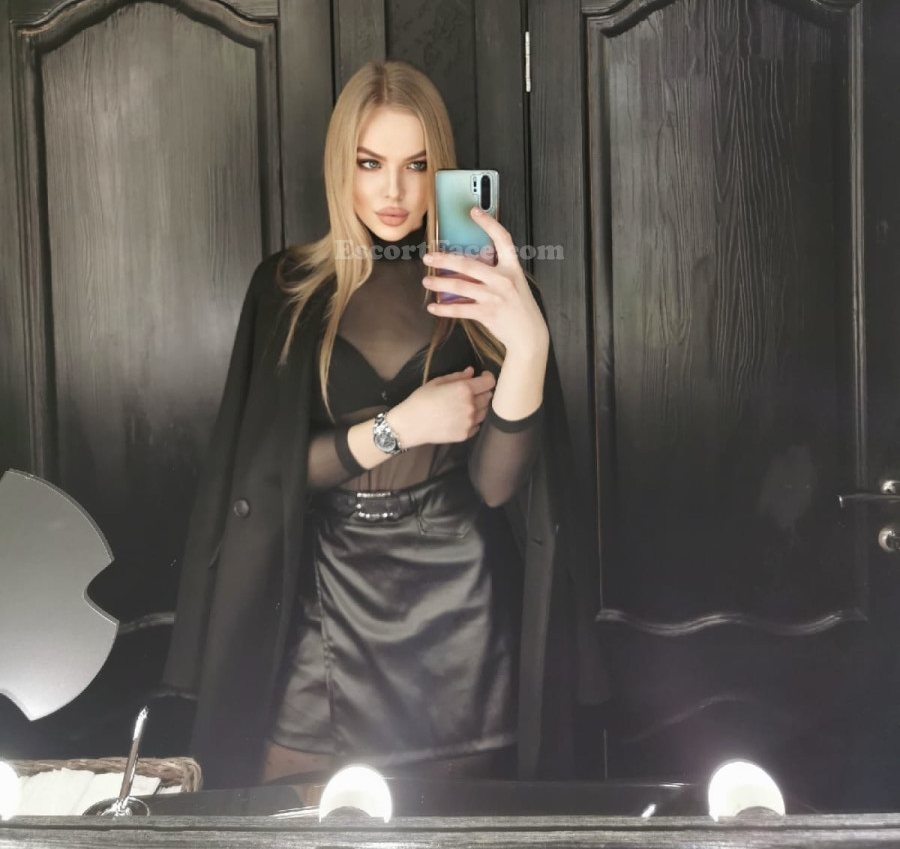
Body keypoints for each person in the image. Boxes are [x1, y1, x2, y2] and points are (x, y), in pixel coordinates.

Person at [162, 61, 593, 789]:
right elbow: (266, 478)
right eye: (370, 163)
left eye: (416, 165)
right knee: (296, 816)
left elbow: (497, 488)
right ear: (341, 166)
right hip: (323, 591)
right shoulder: (286, 289)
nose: (393, 191)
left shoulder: (486, 290)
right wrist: (403, 426)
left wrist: (528, 345)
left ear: (442, 171)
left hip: (458, 604)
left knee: (454, 828)